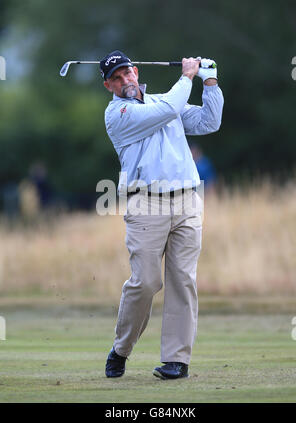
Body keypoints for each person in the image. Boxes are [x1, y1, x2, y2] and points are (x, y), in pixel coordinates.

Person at [101, 50, 224, 379]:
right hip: (146, 204)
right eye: (116, 78)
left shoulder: (163, 101)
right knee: (145, 283)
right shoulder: (118, 114)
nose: (124, 80)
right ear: (108, 86)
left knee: (183, 281)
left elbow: (209, 122)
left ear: (136, 72)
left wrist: (209, 81)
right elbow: (170, 107)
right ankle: (122, 348)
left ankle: (177, 360)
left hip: (187, 202)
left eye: (127, 73)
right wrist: (187, 75)